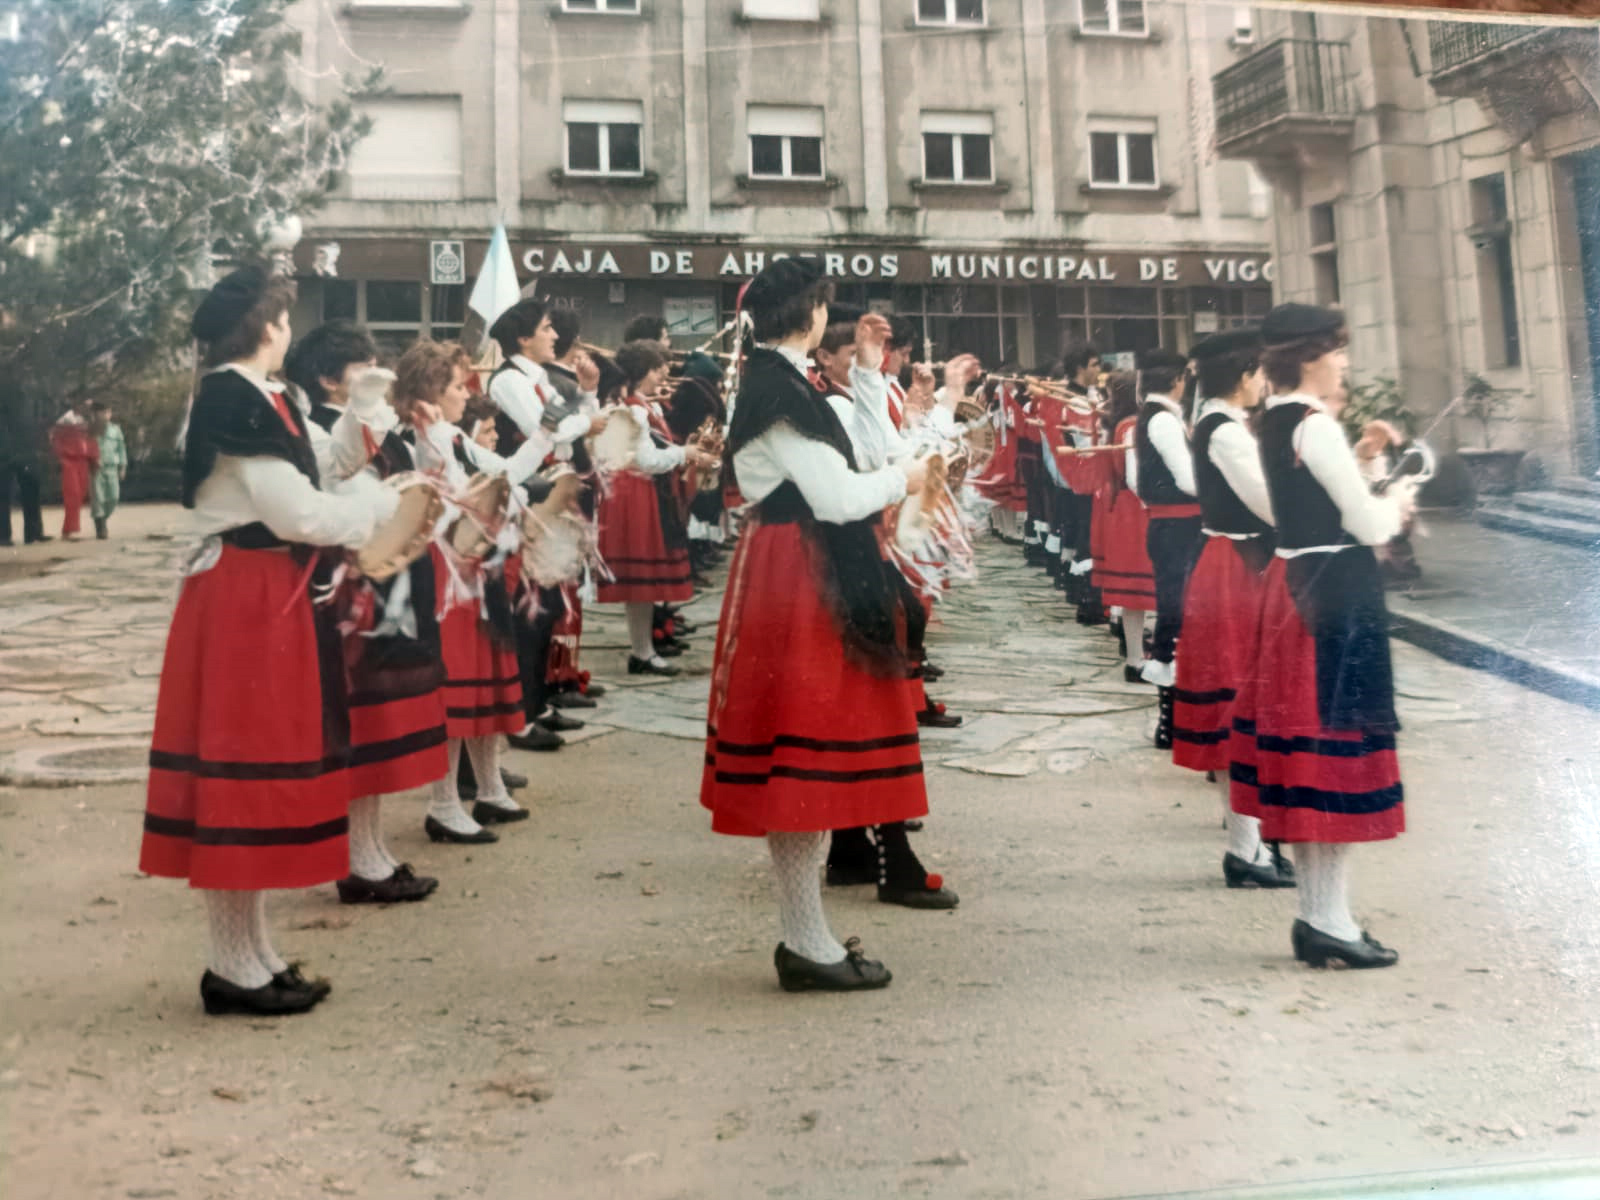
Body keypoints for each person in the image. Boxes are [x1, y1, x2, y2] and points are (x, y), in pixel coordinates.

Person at [140, 265, 400, 1016]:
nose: (289, 328)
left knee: (256, 772)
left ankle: (250, 953)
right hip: (246, 595)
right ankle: (230, 963)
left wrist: (364, 408)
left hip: (266, 594)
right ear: (265, 328)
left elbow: (329, 467)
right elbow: (302, 515)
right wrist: (376, 508)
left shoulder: (270, 397)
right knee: (241, 777)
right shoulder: (229, 395)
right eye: (282, 318)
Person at [702, 256, 934, 992]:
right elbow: (839, 497)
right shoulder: (778, 389)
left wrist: (868, 375)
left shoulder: (788, 381)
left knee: (807, 765)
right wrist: (910, 481)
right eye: (823, 307)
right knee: (801, 762)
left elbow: (861, 453)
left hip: (804, 570)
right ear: (806, 315)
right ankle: (805, 940)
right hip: (802, 577)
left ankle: (809, 937)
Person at [1229, 303, 1416, 969]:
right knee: (1331, 763)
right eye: (1337, 350)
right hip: (1333, 603)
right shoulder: (1315, 423)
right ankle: (1328, 921)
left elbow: (1320, 504)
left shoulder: (1274, 420)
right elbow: (1366, 526)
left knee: (1311, 767)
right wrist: (1396, 501)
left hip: (1297, 592)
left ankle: (1319, 917)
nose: (1343, 360)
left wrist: (1364, 470)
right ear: (1310, 355)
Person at [393, 340, 590, 844]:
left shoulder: (452, 437)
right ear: (432, 392)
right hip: (447, 570)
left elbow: (505, 472)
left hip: (473, 564)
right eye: (458, 385)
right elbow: (455, 500)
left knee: (484, 675)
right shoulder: (424, 439)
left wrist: (545, 430)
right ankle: (443, 804)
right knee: (456, 685)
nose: (467, 392)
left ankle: (488, 786)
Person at [283, 320, 450, 905]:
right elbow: (341, 488)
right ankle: (359, 857)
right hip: (359, 585)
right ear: (328, 379)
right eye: (362, 365)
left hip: (395, 577)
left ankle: (371, 848)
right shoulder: (316, 428)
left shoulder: (378, 425)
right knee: (363, 722)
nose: (377, 373)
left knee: (384, 723)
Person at [1166, 328, 1293, 890]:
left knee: (1244, 706)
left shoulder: (1220, 424)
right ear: (1243, 376)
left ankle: (1255, 842)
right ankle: (1246, 850)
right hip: (1238, 572)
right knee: (1243, 709)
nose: (1264, 382)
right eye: (1259, 373)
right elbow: (1271, 504)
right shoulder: (1227, 432)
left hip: (1231, 566)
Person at [595, 340, 713, 676]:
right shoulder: (633, 410)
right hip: (639, 495)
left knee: (645, 586)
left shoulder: (645, 406)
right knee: (641, 583)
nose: (661, 374)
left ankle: (645, 648)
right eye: (655, 368)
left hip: (648, 493)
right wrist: (685, 455)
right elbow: (646, 460)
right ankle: (642, 652)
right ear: (640, 373)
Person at [1131, 347, 1201, 751]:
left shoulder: (1155, 416)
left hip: (1172, 527)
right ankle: (1169, 722)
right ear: (1177, 380)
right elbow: (1189, 480)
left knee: (1175, 613)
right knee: (1177, 616)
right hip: (1179, 527)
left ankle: (1171, 720)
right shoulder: (1163, 419)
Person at [1089, 374, 1157, 681]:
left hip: (1125, 507)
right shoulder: (1131, 425)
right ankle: (1135, 660)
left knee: (1134, 595)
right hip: (1136, 510)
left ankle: (1135, 656)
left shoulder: (1119, 423)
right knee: (1137, 591)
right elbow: (1133, 474)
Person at [50, 399, 99, 540]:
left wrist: (94, 459)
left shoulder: (85, 421)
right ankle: (68, 531)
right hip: (70, 460)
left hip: (82, 461)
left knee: (81, 494)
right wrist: (61, 458)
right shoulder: (65, 421)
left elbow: (91, 441)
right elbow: (55, 440)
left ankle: (71, 528)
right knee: (73, 494)